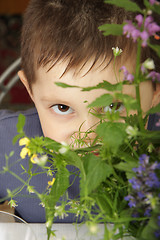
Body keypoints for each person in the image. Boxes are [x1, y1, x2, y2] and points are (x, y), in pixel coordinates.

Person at [0, 0, 160, 223]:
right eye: (63, 107)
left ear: (155, 91)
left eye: (113, 107)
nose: (91, 134)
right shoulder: (6, 143)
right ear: (30, 91)